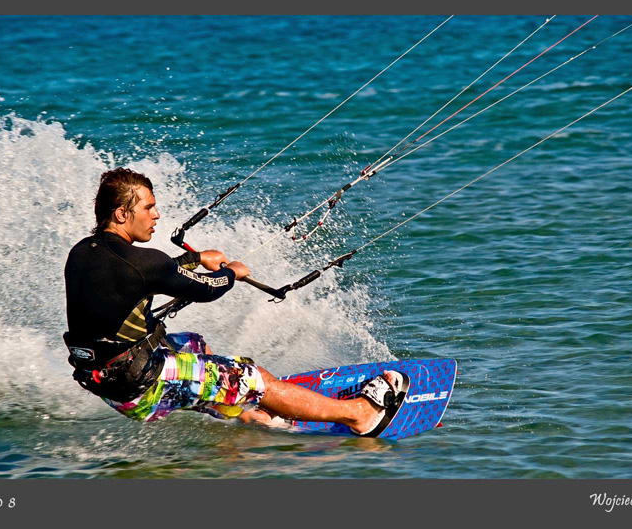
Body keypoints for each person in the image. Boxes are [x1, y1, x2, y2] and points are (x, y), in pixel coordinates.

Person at [63, 167, 406, 436]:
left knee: (194, 345)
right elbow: (206, 289)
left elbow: (146, 277)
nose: (156, 216)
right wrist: (231, 272)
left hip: (106, 383)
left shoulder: (81, 253)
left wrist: (194, 260)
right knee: (254, 378)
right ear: (122, 214)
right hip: (142, 388)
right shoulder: (142, 264)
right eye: (148, 208)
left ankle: (249, 415)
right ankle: (361, 416)